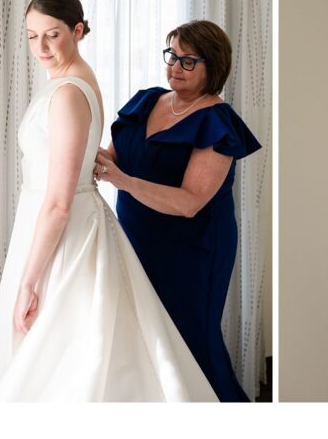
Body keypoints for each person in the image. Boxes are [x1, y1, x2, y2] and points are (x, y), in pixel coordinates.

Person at [0, 0, 217, 402]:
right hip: (54, 218)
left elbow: (60, 202)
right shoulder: (73, 81)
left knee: (63, 350)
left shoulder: (68, 93)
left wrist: (28, 280)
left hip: (64, 227)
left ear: (77, 30)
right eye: (31, 36)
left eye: (52, 34)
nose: (40, 47)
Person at [94, 20, 261, 402]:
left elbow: (190, 201)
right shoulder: (146, 101)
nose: (174, 67)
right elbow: (114, 158)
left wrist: (122, 181)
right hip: (137, 237)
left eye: (188, 61)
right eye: (171, 55)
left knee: (190, 341)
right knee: (147, 338)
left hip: (193, 248)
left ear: (213, 66)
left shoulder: (217, 121)